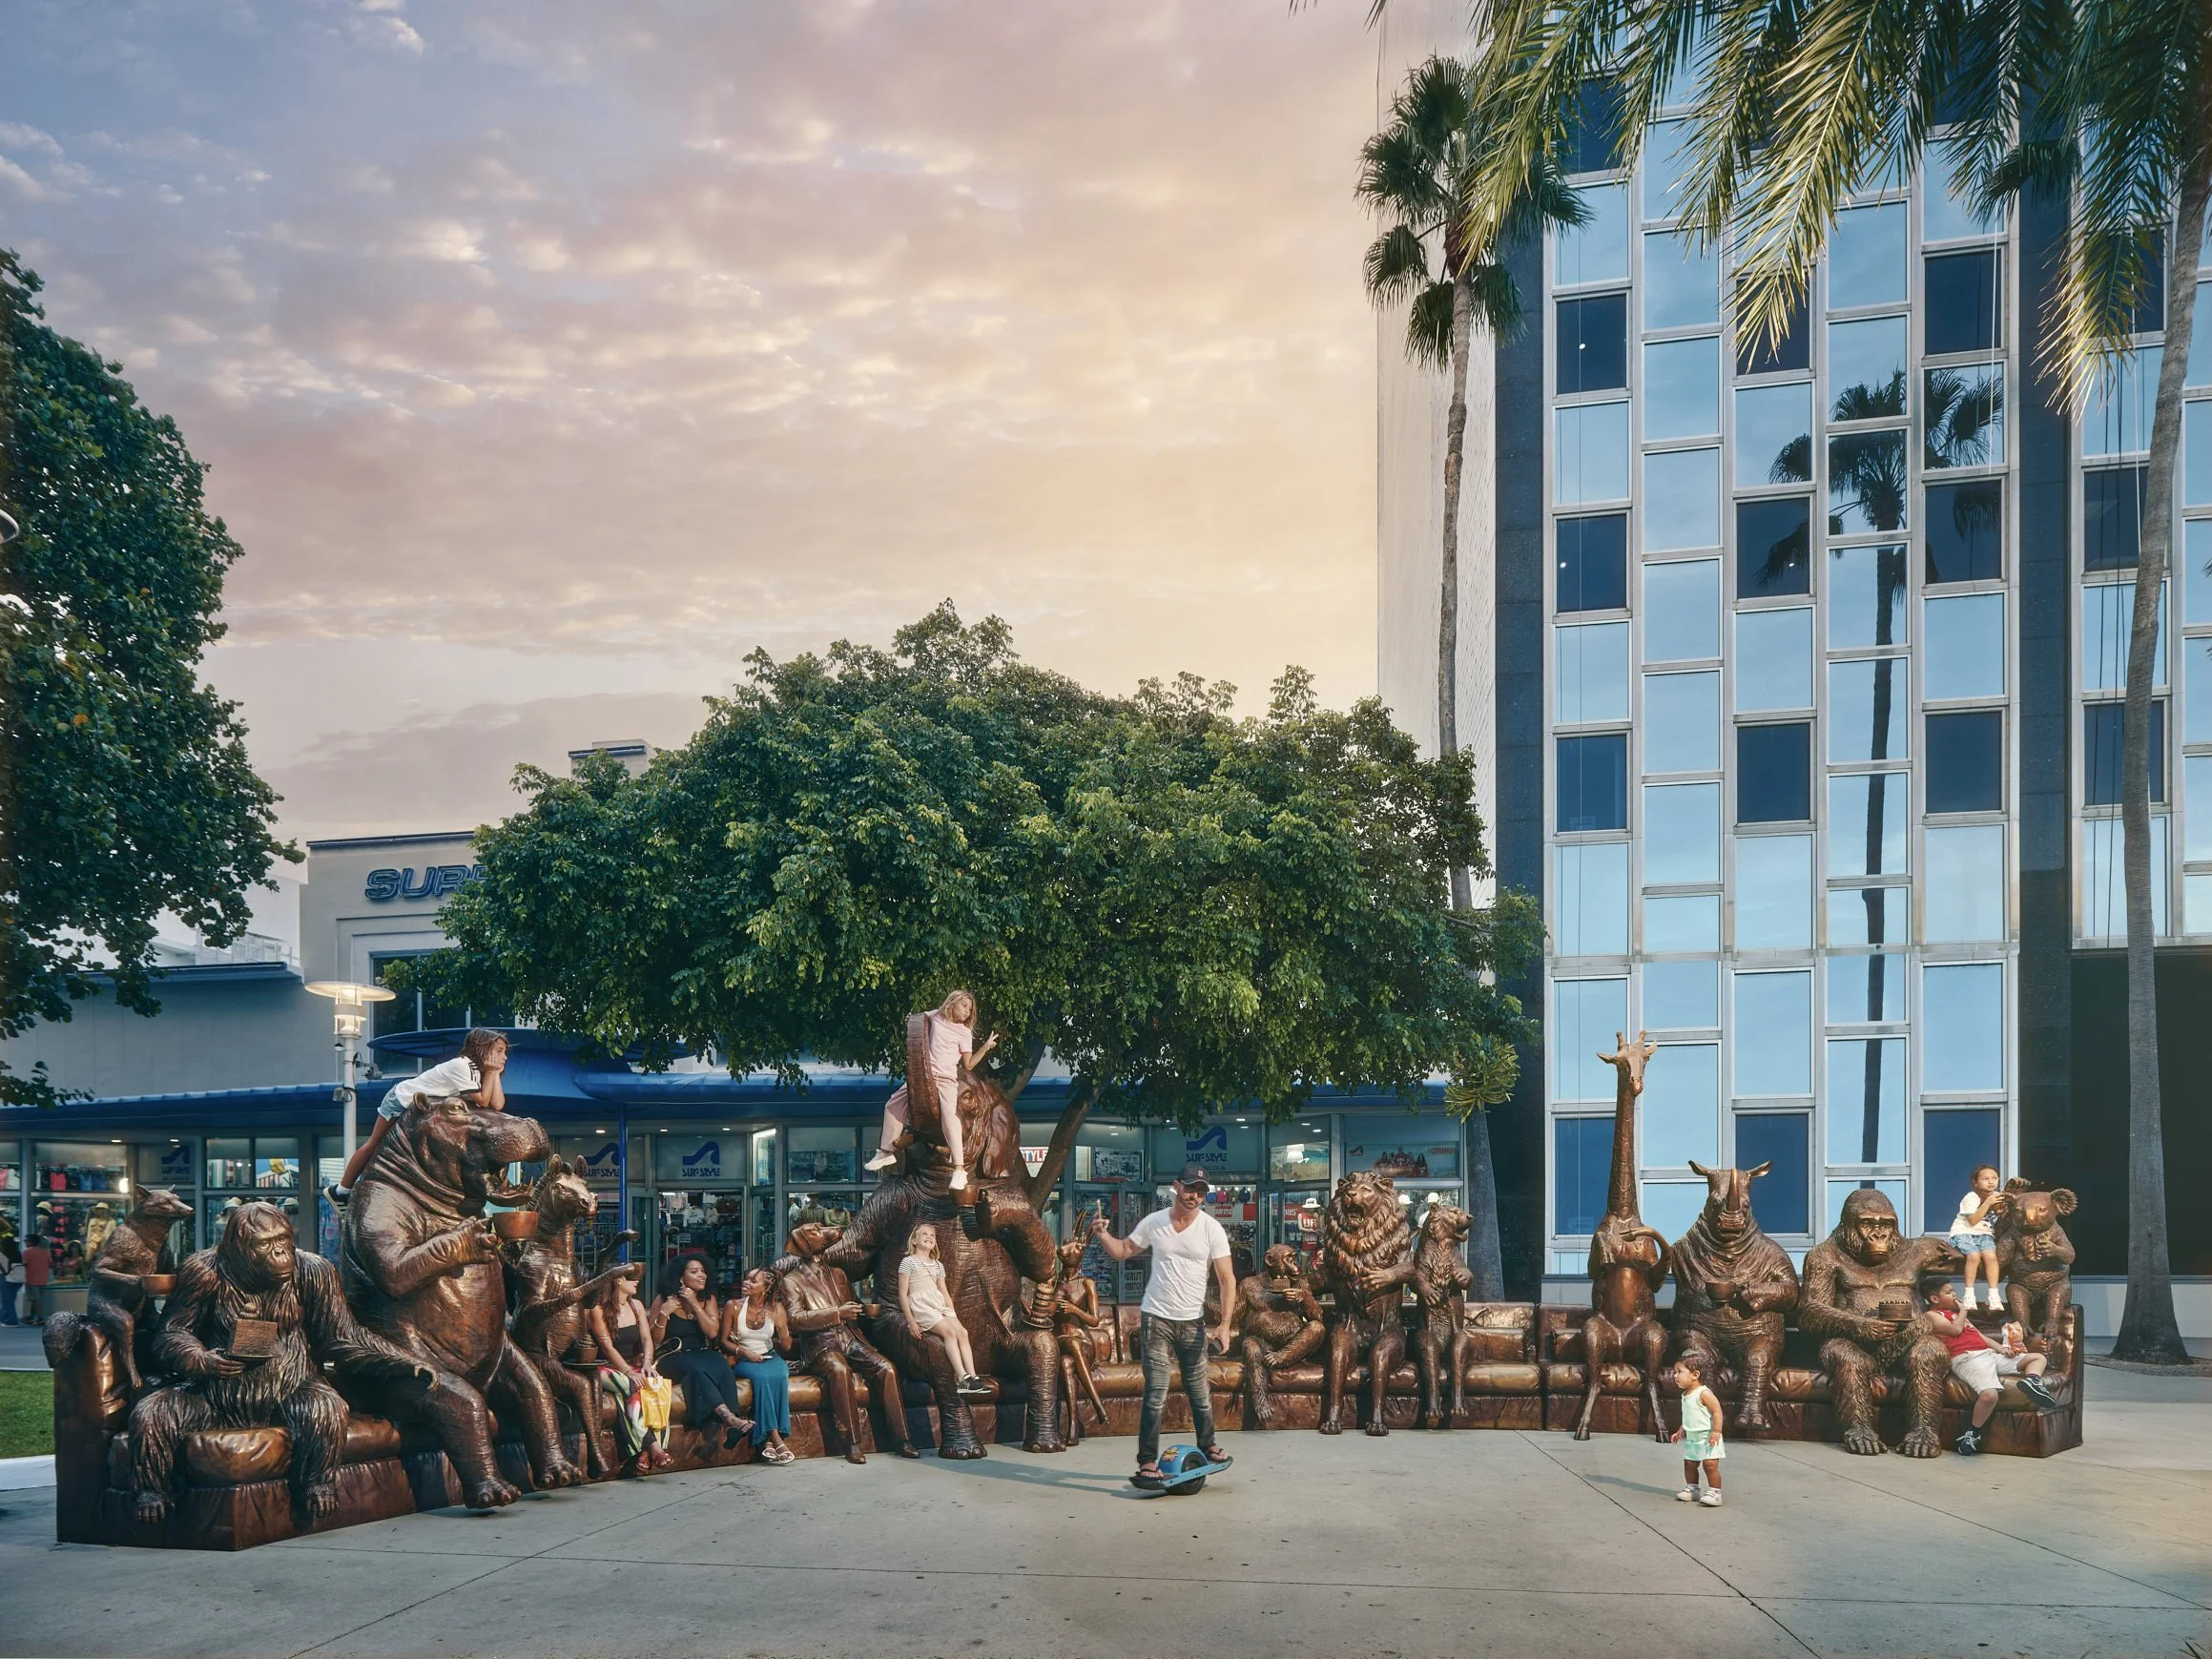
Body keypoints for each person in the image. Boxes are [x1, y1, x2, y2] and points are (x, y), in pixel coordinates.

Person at [1090, 1164, 1235, 1489]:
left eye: (1201, 1191)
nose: (1194, 1196)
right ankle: (1147, 1462)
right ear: (1176, 1187)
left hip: (1193, 1321)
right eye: (1189, 1189)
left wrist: (1225, 1325)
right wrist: (1102, 1235)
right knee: (1155, 1393)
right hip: (1156, 1318)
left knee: (1200, 1392)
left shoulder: (1212, 1229)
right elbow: (1124, 1251)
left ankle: (1208, 1446)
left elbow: (1227, 1279)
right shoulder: (1155, 1223)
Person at [327, 1028, 508, 1207]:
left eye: (505, 1052)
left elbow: (497, 1105)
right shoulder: (463, 1065)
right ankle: (341, 1191)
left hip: (419, 1111)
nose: (504, 1057)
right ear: (482, 1048)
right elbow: (484, 1101)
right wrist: (492, 1072)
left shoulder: (475, 1071)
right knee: (373, 1145)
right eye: (499, 1051)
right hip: (401, 1100)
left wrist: (495, 1073)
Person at [866, 991, 997, 1192]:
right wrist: (908, 1019)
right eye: (964, 1006)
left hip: (945, 1079)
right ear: (952, 1003)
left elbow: (969, 1065)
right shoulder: (936, 1016)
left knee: (949, 1117)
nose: (967, 1011)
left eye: (970, 1009)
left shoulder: (964, 1032)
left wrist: (985, 1047)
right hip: (922, 1076)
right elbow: (917, 1022)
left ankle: (959, 1169)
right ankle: (886, 1151)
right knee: (893, 1103)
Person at [1923, 1279, 2060, 1454]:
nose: (1955, 1295)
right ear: (1935, 1299)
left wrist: (2002, 1350)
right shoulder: (1932, 1316)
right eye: (1949, 1292)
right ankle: (1972, 1434)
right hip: (1967, 1358)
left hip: (1989, 1355)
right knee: (1989, 1396)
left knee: (2037, 1358)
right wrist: (1963, 1311)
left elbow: (1982, 1338)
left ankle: (2033, 1381)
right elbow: (1955, 1331)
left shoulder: (1957, 1316)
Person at [653, 1254, 753, 1451]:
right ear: (681, 1278)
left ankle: (730, 1426)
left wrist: (696, 1305)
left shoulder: (707, 1299)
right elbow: (654, 1340)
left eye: (703, 1271)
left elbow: (712, 1332)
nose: (702, 1276)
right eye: (694, 1272)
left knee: (721, 1366)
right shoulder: (663, 1300)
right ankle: (731, 1419)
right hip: (672, 1354)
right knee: (698, 1370)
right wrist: (664, 1313)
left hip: (700, 1351)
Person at [587, 1263, 672, 1472]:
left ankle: (644, 1452)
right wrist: (627, 1372)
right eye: (632, 1278)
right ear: (617, 1280)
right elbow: (606, 1348)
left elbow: (646, 1338)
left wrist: (646, 1364)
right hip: (604, 1366)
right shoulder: (596, 1309)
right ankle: (655, 1448)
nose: (637, 1281)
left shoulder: (636, 1306)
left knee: (655, 1385)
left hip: (633, 1364)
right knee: (631, 1385)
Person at [898, 1223, 983, 1393]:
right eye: (925, 1234)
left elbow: (943, 1291)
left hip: (940, 1305)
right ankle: (962, 1379)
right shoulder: (908, 1262)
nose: (930, 1237)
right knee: (949, 1333)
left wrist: (953, 1314)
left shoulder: (937, 1265)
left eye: (932, 1235)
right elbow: (902, 1294)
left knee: (962, 1332)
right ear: (914, 1241)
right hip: (922, 1306)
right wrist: (911, 1322)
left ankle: (973, 1377)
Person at [726, 1268, 797, 1464]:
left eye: (753, 1281)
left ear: (766, 1288)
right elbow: (724, 1341)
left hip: (770, 1356)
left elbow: (787, 1346)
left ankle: (766, 1442)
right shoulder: (733, 1306)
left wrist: (781, 1326)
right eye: (746, 1278)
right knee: (763, 1378)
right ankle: (774, 1437)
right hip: (744, 1359)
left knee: (781, 1374)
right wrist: (745, 1352)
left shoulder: (776, 1308)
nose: (746, 1282)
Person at [1949, 1164, 2006, 1313]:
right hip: (1964, 1232)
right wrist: (1988, 1203)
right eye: (1985, 1179)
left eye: (1994, 1178)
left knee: (1991, 1256)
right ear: (1975, 1182)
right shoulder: (1971, 1197)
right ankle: (1969, 1294)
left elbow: (2002, 1216)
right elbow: (1973, 1221)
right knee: (1973, 1256)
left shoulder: (1996, 1197)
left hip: (1984, 1233)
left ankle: (1994, 1294)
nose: (1991, 1182)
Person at [1670, 1355, 1725, 1507]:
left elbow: (1717, 1412)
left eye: (1679, 1372)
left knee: (1710, 1465)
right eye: (1675, 1372)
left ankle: (1715, 1493)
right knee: (1689, 1464)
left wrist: (1716, 1431)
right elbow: (1689, 1416)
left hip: (1708, 1437)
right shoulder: (1686, 1394)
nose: (1675, 1376)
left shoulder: (1704, 1393)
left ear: (1695, 1375)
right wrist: (1681, 1430)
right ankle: (1693, 1489)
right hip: (1693, 1437)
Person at [20, 1233, 51, 1326]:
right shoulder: (45, 1252)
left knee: (36, 1299)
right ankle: (30, 1316)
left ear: (31, 1241)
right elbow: (50, 1264)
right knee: (37, 1299)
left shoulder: (26, 1252)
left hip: (31, 1278)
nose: (25, 1242)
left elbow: (24, 1265)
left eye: (26, 1240)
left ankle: (40, 1318)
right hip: (43, 1278)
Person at [0, 1232, 20, 1326]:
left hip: (7, 1278)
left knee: (6, 1301)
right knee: (10, 1300)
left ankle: (10, 1320)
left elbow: (4, 1268)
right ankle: (4, 1317)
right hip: (18, 1279)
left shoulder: (3, 1253)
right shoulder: (17, 1253)